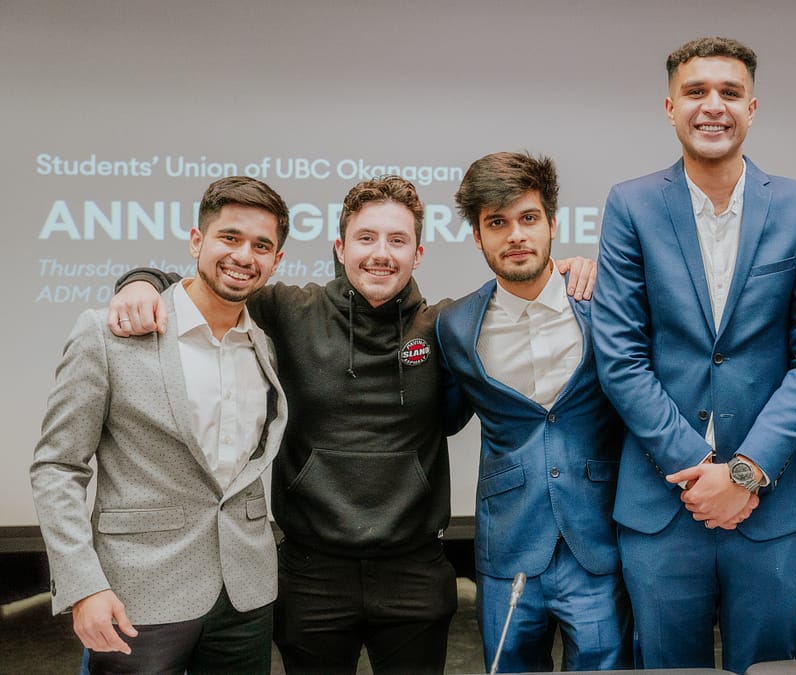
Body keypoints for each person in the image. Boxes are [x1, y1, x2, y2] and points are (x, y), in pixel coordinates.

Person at [107, 175, 596, 675]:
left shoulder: (445, 327)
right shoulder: (288, 311)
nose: (381, 253)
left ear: (417, 254)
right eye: (366, 238)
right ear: (341, 248)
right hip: (311, 575)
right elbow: (211, 284)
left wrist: (570, 270)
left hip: (414, 573)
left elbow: (521, 294)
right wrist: (142, 281)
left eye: (397, 240)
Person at [592, 37, 796, 675]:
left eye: (729, 93)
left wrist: (744, 474)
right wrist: (702, 469)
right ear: (670, 107)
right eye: (696, 92)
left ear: (752, 108)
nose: (713, 106)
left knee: (768, 668)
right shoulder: (631, 204)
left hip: (771, 507)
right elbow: (620, 356)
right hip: (663, 504)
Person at [30, 176, 290, 674]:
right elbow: (57, 467)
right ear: (196, 241)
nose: (243, 255)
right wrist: (83, 584)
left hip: (245, 594)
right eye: (229, 237)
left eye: (261, 246)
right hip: (138, 592)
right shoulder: (107, 333)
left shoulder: (265, 345)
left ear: (275, 261)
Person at [436, 152, 632, 672]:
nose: (516, 235)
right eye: (497, 223)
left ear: (552, 224)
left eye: (528, 218)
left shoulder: (604, 300)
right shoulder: (456, 325)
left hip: (597, 538)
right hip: (508, 544)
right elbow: (444, 416)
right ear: (477, 236)